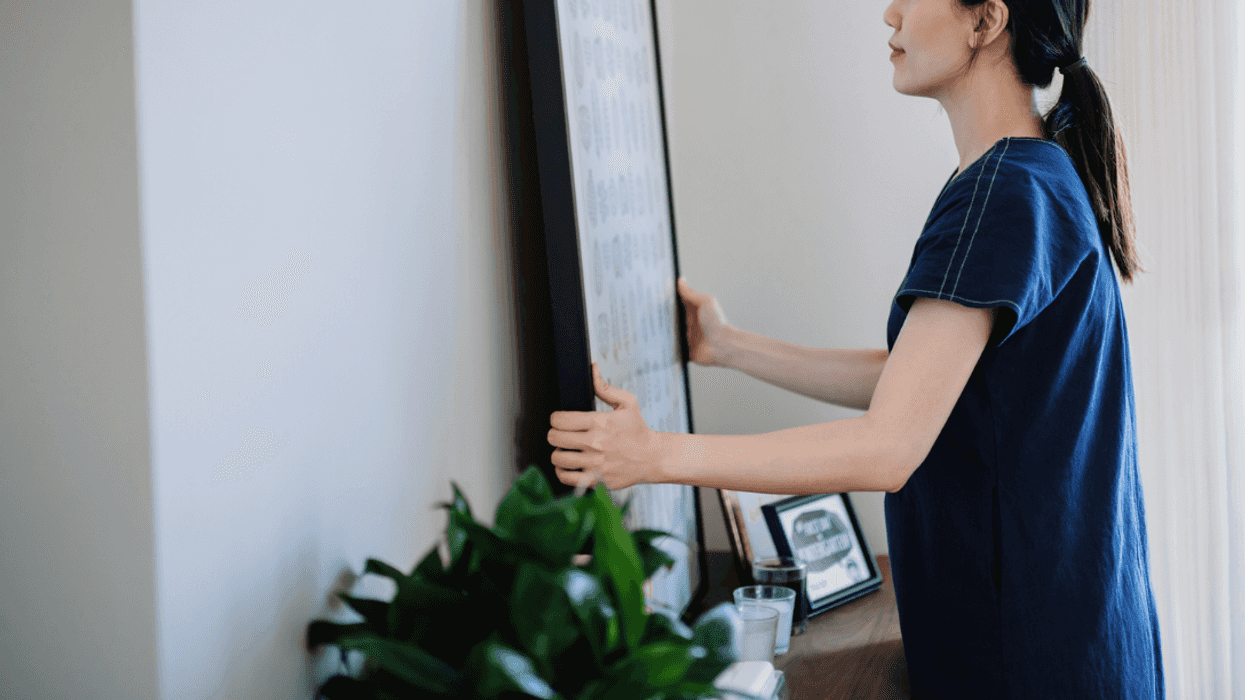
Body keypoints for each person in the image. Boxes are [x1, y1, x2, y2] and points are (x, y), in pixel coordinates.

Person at [547, 0, 1164, 697]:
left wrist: (654, 454)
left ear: (985, 21)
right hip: (1067, 643)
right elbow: (917, 386)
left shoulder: (1002, 192)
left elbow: (887, 446)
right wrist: (728, 346)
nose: (890, 13)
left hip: (1027, 662)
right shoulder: (1026, 175)